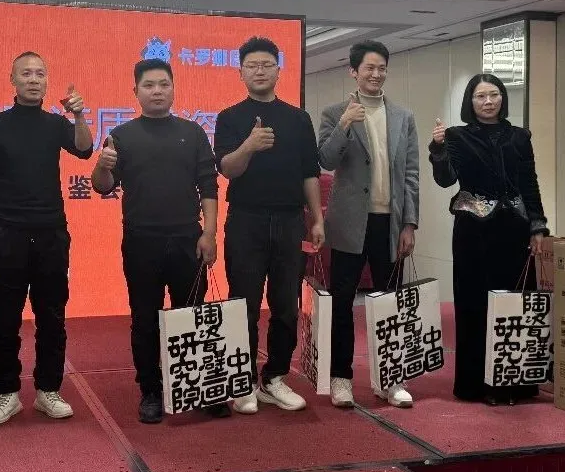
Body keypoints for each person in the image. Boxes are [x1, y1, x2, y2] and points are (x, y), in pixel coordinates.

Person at [91, 58, 222, 424]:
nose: (157, 91)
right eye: (149, 85)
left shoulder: (193, 133)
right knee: (145, 318)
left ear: (173, 88)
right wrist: (102, 164)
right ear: (136, 91)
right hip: (141, 241)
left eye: (164, 84)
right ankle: (150, 389)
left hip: (187, 238)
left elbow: (208, 186)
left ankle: (194, 386)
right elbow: (103, 186)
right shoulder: (122, 136)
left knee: (190, 315)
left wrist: (209, 233)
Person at [0, 52, 93, 425]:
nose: (33, 79)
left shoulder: (56, 124)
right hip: (6, 232)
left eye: (40, 74)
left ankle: (48, 390)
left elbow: (85, 149)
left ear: (47, 81)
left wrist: (78, 115)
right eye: (26, 73)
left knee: (52, 316)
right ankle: (7, 393)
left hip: (51, 232)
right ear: (13, 79)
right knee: (5, 317)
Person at [214, 37, 323, 416]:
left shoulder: (298, 118)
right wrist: (249, 145)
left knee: (286, 306)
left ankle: (274, 377)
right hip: (246, 220)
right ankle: (241, 380)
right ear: (240, 72)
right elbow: (227, 169)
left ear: (278, 70)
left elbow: (310, 172)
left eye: (266, 65)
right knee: (242, 303)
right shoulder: (229, 117)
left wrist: (317, 218)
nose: (259, 71)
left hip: (290, 220)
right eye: (252, 65)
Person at [429, 74, 547, 406]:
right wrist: (438, 149)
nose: (488, 101)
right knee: (475, 305)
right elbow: (445, 179)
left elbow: (529, 182)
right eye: (480, 96)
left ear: (502, 98)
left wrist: (538, 226)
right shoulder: (457, 136)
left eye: (494, 95)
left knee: (516, 304)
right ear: (471, 101)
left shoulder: (520, 136)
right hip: (473, 232)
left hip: (514, 230)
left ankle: (516, 382)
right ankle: (477, 384)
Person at [318, 40, 419, 409]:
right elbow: (325, 159)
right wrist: (345, 123)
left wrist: (409, 223)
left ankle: (391, 380)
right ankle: (341, 378)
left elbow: (411, 174)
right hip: (349, 224)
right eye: (369, 68)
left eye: (381, 68)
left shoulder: (403, 116)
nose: (376, 74)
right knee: (342, 303)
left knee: (389, 303)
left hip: (389, 224)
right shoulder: (334, 113)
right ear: (354, 72)